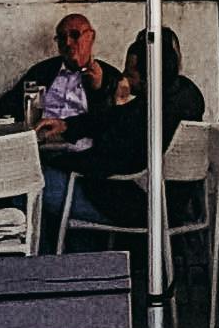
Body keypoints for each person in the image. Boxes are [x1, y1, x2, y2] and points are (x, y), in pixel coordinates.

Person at [62, 25, 205, 241]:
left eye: (130, 73)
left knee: (38, 183)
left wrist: (58, 159)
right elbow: (115, 119)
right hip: (178, 204)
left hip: (139, 207)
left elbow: (107, 158)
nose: (126, 78)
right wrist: (67, 126)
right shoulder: (186, 93)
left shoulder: (150, 110)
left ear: (149, 74)